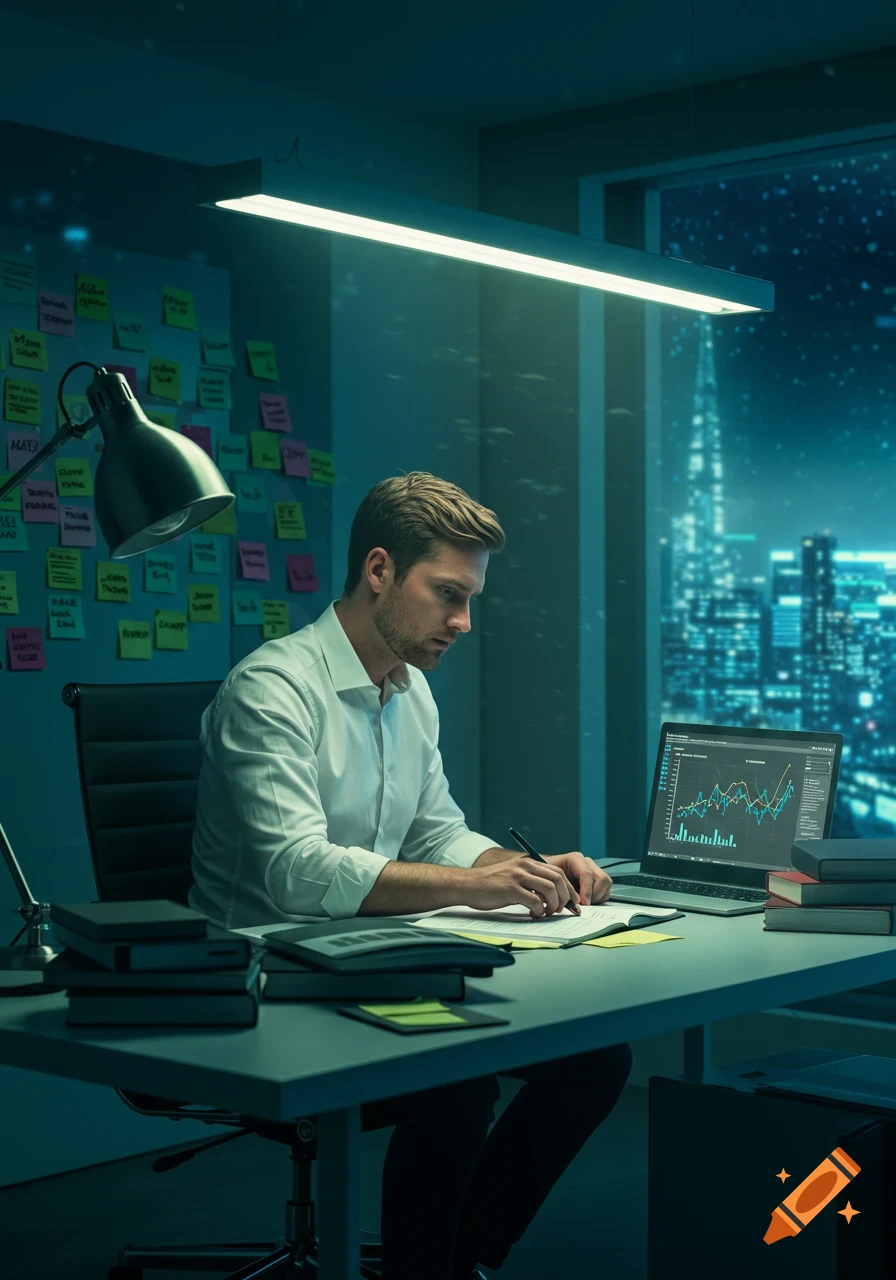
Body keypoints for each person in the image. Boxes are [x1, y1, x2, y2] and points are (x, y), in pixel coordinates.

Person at [190, 471, 633, 1280]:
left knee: (595, 1059)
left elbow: (438, 832)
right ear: (381, 570)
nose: (462, 623)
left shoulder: (410, 691)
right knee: (454, 1082)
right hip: (261, 981)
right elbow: (294, 874)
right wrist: (476, 887)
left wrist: (522, 868)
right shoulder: (272, 690)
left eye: (470, 600)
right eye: (447, 595)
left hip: (370, 960)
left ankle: (457, 1259)